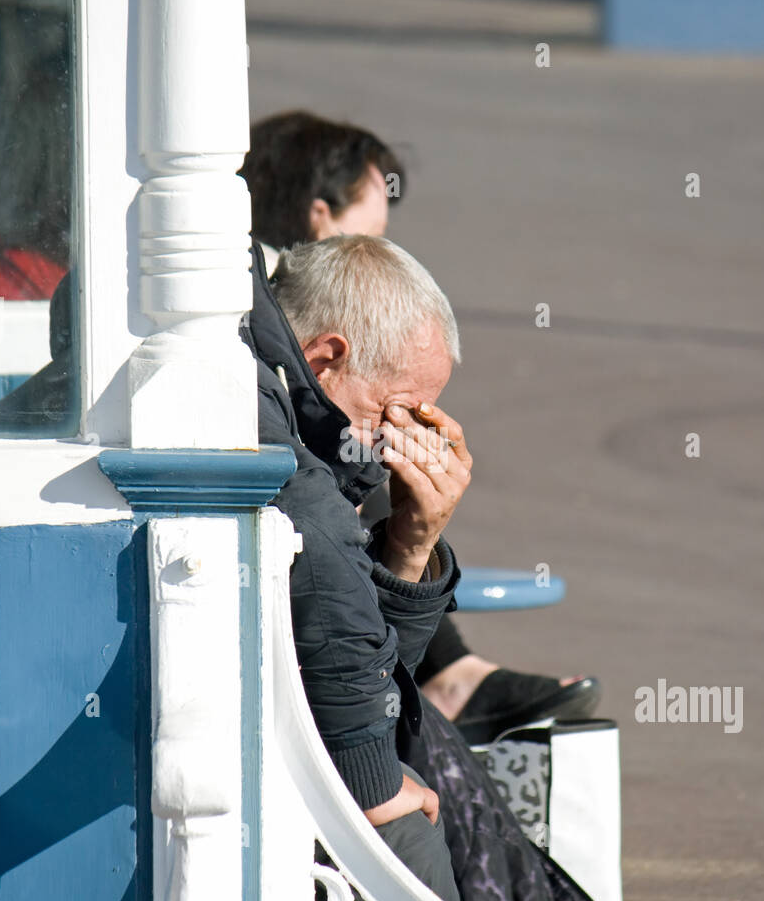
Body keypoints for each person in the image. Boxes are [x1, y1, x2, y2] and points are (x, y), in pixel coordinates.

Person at [240, 232, 764, 901]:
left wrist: (414, 542)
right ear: (328, 355)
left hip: (346, 767)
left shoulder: (304, 424)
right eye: (401, 410)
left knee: (467, 806)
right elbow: (344, 648)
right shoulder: (289, 452)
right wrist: (378, 780)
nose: (404, 440)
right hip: (321, 800)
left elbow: (374, 669)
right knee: (456, 809)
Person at [240, 109, 601, 737]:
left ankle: (454, 671)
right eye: (375, 231)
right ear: (320, 218)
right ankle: (453, 675)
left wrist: (415, 545)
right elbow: (356, 709)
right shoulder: (279, 408)